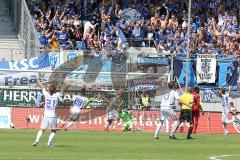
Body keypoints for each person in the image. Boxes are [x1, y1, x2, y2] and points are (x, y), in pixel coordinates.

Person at [32, 78, 71, 147]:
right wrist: (69, 84)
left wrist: (37, 79)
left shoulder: (46, 94)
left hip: (46, 115)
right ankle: (49, 143)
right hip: (53, 116)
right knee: (53, 131)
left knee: (42, 129)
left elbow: (41, 86)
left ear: (49, 89)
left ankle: (36, 141)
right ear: (55, 90)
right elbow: (63, 90)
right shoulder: (57, 95)